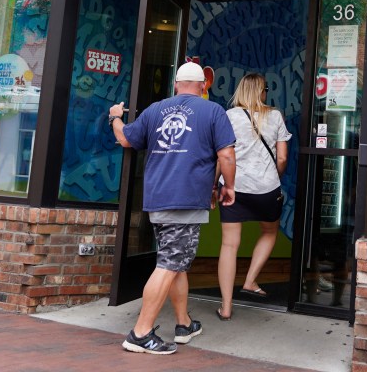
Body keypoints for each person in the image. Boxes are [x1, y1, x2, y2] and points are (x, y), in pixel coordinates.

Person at [109, 61, 236, 355]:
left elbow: (125, 138)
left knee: (175, 261)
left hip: (158, 198)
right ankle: (140, 333)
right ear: (202, 86)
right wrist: (228, 186)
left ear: (176, 85)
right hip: (187, 198)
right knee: (168, 264)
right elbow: (226, 155)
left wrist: (115, 117)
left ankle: (183, 324)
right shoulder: (213, 111)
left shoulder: (155, 110)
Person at [216, 72, 290, 320]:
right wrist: (273, 176)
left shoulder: (229, 116)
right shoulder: (276, 116)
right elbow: (282, 158)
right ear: (261, 91)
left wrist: (215, 184)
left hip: (234, 186)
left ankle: (226, 307)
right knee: (269, 231)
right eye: (265, 88)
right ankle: (249, 281)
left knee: (229, 245)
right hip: (266, 188)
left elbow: (222, 155)